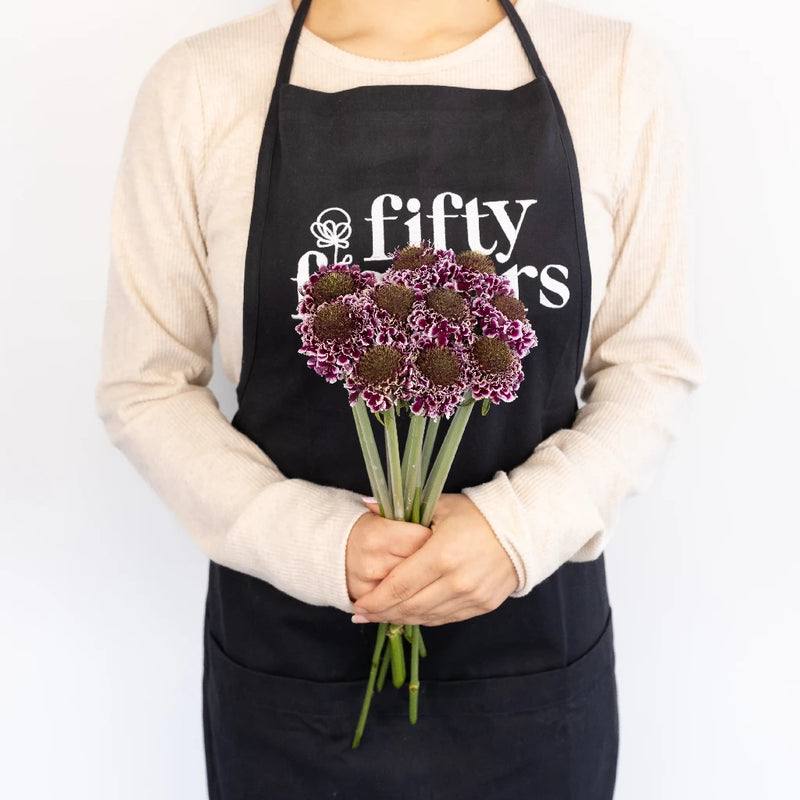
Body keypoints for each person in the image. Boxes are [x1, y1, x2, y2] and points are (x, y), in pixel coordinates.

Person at [96, 0, 704, 796]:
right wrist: (321, 545)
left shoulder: (614, 72)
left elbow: (650, 365)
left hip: (530, 671)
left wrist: (514, 531)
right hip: (293, 671)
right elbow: (144, 385)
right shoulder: (202, 86)